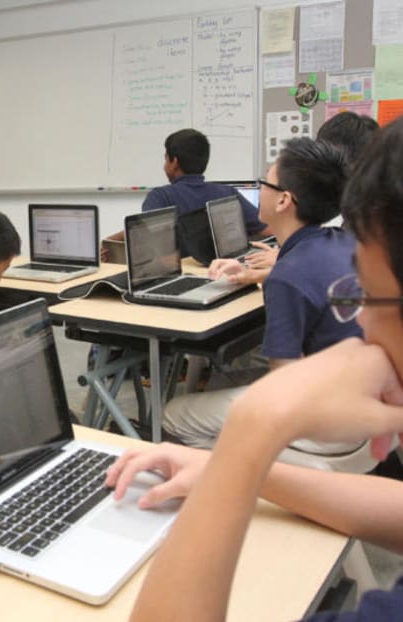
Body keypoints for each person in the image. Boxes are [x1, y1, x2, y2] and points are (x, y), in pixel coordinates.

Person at [105, 115, 403, 622]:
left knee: (183, 409)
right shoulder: (314, 249)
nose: (364, 328)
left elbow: (289, 382)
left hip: (327, 441)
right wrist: (233, 473)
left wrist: (248, 440)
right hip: (354, 450)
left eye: (368, 297)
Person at [163, 138, 363, 456]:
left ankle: (257, 483)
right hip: (364, 405)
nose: (258, 190)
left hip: (332, 425)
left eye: (264, 182)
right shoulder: (341, 242)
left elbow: (283, 386)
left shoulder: (289, 276)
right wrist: (258, 273)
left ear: (284, 200)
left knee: (175, 414)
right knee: (221, 383)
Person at [212, 112, 380, 287]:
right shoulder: (363, 208)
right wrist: (278, 266)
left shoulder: (374, 222)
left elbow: (348, 278)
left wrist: (291, 262)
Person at [102, 128, 269, 260]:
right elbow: (267, 229)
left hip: (179, 278)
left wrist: (107, 243)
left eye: (165, 158)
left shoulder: (160, 197)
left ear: (174, 162)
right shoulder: (227, 193)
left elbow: (142, 236)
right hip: (225, 274)